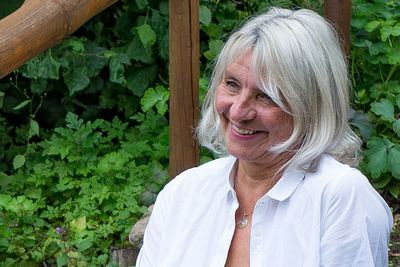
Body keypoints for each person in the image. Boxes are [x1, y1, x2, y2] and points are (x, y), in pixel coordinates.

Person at [136, 7, 393, 267]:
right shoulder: (183, 193)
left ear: (312, 107)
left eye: (266, 96)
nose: (237, 111)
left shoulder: (341, 198)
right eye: (232, 84)